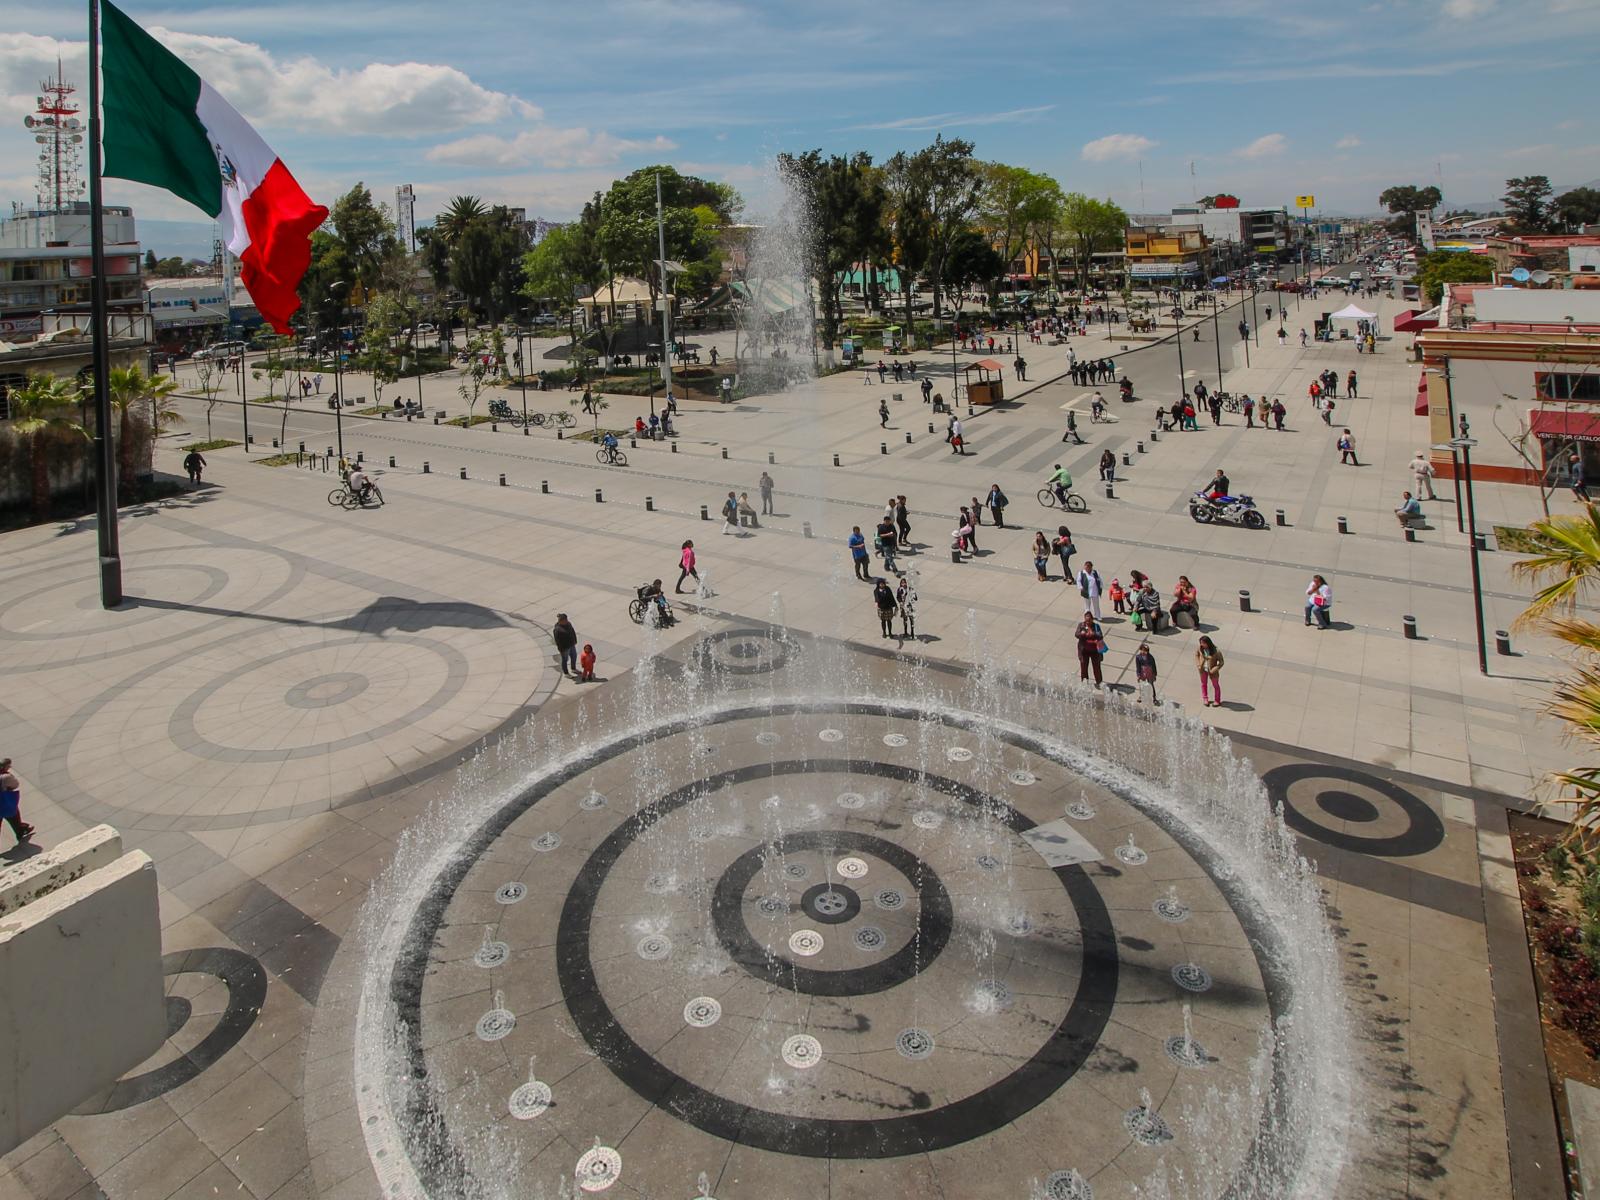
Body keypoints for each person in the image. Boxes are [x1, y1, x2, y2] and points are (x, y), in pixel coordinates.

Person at [0, 757, 34, 846]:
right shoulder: (5, 777)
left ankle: (22, 830)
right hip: (5, 803)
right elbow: (15, 785)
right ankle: (20, 832)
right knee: (15, 819)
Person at [1075, 611, 1105, 687]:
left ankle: (1099, 682)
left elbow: (1100, 635)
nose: (1087, 622)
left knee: (1096, 667)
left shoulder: (1096, 626)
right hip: (1084, 650)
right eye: (1086, 620)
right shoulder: (1081, 625)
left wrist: (1093, 634)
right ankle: (1085, 682)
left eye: (1089, 620)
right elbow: (1076, 634)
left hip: (1095, 650)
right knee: (1084, 667)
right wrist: (1082, 634)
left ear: (1092, 619)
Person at [1196, 636, 1224, 707]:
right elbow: (1197, 655)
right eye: (1201, 643)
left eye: (1203, 643)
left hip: (1212, 671)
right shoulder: (1200, 648)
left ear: (1208, 643)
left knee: (1216, 685)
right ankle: (1205, 698)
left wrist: (1215, 669)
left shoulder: (1216, 651)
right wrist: (1198, 664)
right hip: (1203, 670)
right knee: (1203, 684)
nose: (1202, 645)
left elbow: (1221, 662)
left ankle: (1217, 700)